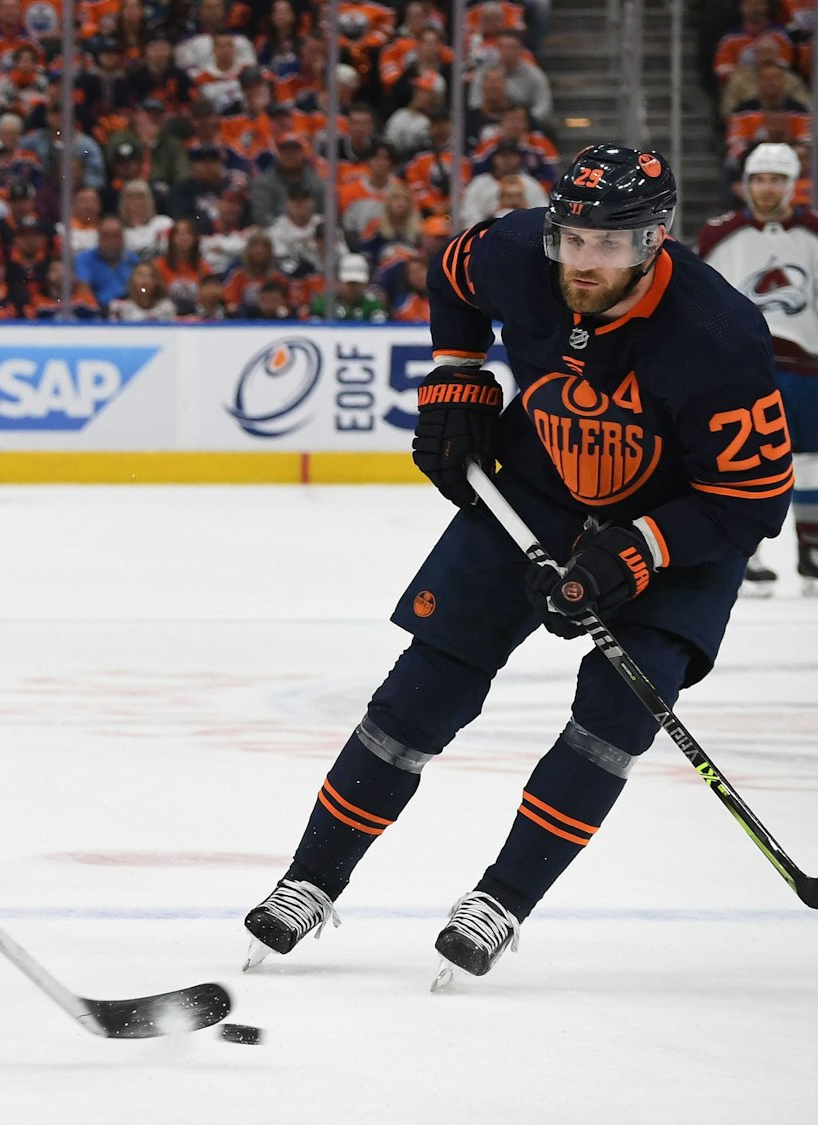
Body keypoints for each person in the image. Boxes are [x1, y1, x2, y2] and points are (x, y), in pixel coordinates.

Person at [241, 145, 791, 988]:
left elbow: (750, 498)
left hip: (677, 524)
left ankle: (500, 901)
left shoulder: (719, 337)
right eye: (571, 239)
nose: (581, 261)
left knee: (615, 714)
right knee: (425, 686)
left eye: (607, 246)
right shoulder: (517, 250)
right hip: (538, 486)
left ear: (657, 238)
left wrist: (635, 553)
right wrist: (458, 378)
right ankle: (309, 879)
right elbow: (450, 273)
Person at [696, 142, 818, 595]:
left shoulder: (813, 232)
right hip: (740, 368)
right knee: (743, 462)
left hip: (806, 368)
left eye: (777, 179)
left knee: (809, 463)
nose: (767, 188)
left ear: (792, 184)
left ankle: (811, 553)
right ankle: (748, 555)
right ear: (746, 183)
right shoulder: (718, 234)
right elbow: (701, 299)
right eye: (760, 179)